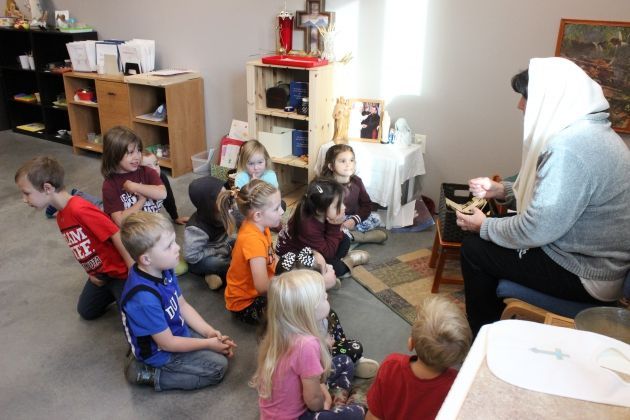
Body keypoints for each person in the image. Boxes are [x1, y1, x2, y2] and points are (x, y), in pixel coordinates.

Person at [456, 57, 630, 336]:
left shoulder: (570, 149)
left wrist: (484, 226)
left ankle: (485, 336)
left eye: (526, 97)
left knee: (474, 249)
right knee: (492, 242)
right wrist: (501, 190)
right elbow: (556, 204)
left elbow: (535, 229)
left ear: (551, 99)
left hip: (585, 275)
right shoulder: (596, 135)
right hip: (598, 265)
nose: (520, 105)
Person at [119, 212, 237, 391]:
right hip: (160, 352)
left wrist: (209, 333)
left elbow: (182, 305)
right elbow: (167, 344)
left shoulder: (163, 268)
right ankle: (148, 373)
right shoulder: (143, 299)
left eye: (174, 241)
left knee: (217, 348)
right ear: (146, 259)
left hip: (174, 332)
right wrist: (207, 344)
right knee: (218, 369)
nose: (177, 248)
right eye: (168, 246)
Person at [14, 156, 133, 320]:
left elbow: (116, 234)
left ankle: (125, 294)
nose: (24, 199)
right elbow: (83, 248)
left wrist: (133, 270)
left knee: (134, 320)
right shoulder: (61, 216)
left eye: (27, 193)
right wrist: (92, 273)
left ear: (47, 188)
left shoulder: (80, 209)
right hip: (101, 275)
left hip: (121, 274)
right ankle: (115, 294)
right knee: (86, 311)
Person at [251, 269, 367, 420]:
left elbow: (310, 378)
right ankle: (340, 402)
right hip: (295, 416)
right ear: (308, 310)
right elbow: (313, 401)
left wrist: (322, 389)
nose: (327, 296)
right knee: (358, 411)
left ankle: (338, 401)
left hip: (286, 406)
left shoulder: (280, 331)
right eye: (323, 297)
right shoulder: (306, 345)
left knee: (345, 361)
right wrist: (323, 404)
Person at [276, 248, 381, 385]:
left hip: (325, 348)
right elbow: (304, 354)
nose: (331, 266)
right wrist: (324, 345)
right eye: (326, 269)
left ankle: (347, 363)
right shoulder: (300, 322)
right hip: (313, 366)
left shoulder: (313, 308)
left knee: (338, 326)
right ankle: (345, 369)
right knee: (353, 348)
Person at [366, 295, 472, 420]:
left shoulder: (391, 365)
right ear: (458, 358)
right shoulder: (458, 386)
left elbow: (373, 416)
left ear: (411, 343)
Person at [217, 179, 283, 324]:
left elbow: (271, 255)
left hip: (262, 288)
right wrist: (288, 283)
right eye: (277, 208)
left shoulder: (261, 226)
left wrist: (287, 269)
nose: (282, 211)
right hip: (246, 304)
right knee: (293, 308)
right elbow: (262, 287)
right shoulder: (253, 241)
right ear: (258, 215)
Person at [276, 177, 369, 279]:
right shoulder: (308, 227)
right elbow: (328, 254)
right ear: (319, 210)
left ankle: (336, 263)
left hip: (315, 246)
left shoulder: (319, 212)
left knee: (345, 240)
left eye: (342, 202)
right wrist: (335, 226)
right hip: (294, 256)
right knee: (337, 268)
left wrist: (334, 227)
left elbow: (329, 242)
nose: (344, 207)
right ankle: (348, 262)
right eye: (337, 206)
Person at [321, 144, 387, 244]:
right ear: (331, 166)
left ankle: (346, 237)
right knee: (321, 228)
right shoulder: (324, 185)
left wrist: (354, 220)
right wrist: (336, 222)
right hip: (334, 220)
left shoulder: (357, 181)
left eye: (351, 160)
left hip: (353, 218)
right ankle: (358, 237)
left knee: (376, 218)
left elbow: (367, 205)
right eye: (343, 161)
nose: (348, 164)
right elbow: (320, 212)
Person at [101, 126, 166, 226]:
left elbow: (162, 194)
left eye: (138, 150)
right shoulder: (109, 185)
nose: (137, 157)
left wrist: (134, 186)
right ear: (114, 155)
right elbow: (120, 221)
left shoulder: (147, 171)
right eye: (131, 152)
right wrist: (141, 200)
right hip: (131, 232)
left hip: (152, 226)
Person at [183, 176, 234, 291]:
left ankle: (213, 274)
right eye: (221, 197)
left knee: (240, 240)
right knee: (219, 262)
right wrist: (217, 250)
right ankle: (210, 273)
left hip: (221, 244)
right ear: (209, 203)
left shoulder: (224, 208)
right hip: (202, 258)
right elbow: (190, 256)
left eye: (226, 192)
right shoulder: (196, 229)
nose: (227, 197)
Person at [141, 150, 189, 225]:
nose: (155, 169)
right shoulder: (136, 185)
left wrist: (175, 217)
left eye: (156, 164)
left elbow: (168, 198)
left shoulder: (162, 177)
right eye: (148, 168)